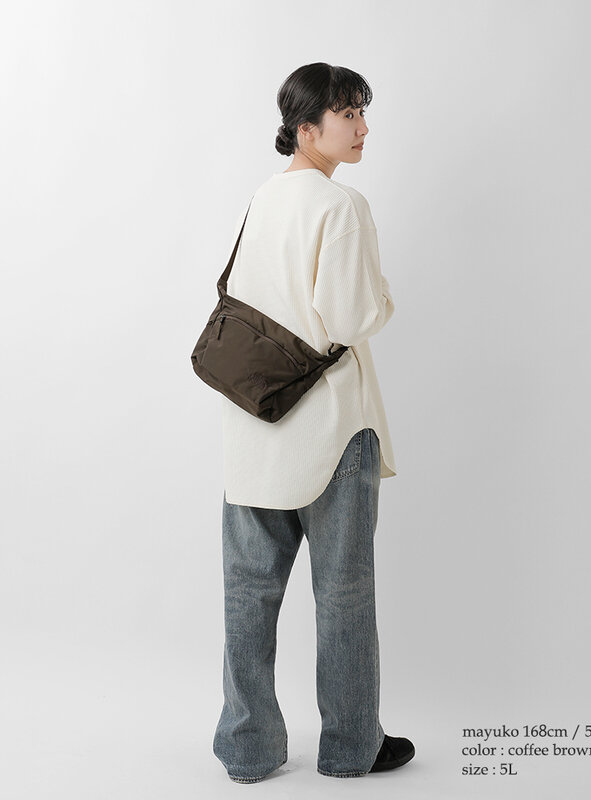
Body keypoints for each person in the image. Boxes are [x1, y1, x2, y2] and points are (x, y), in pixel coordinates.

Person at [211, 62, 415, 783]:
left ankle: (247, 750)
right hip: (330, 430)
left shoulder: (262, 198)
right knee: (344, 595)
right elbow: (353, 318)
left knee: (248, 594)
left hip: (254, 424)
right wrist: (384, 297)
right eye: (348, 114)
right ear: (307, 129)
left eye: (361, 112)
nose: (363, 127)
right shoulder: (341, 205)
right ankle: (351, 747)